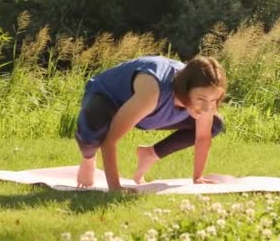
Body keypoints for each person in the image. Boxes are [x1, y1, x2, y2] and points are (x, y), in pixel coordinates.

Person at [74, 55, 227, 191]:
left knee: (215, 124)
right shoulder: (152, 90)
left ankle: (149, 154)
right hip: (108, 98)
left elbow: (202, 137)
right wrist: (115, 187)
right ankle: (88, 159)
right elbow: (110, 141)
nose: (208, 107)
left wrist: (197, 177)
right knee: (92, 136)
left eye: (213, 100)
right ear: (185, 89)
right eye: (201, 99)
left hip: (150, 113)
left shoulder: (205, 96)